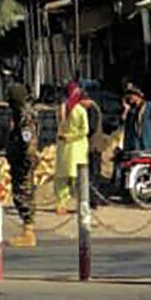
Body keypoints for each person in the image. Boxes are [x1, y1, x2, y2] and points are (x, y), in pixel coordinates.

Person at [3, 82, 39, 247]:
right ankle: (27, 230)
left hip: (23, 161)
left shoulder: (25, 116)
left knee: (23, 193)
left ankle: (28, 232)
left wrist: (25, 158)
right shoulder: (19, 113)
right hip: (18, 159)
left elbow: (28, 140)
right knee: (22, 192)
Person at [116, 81, 151, 194]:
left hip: (145, 143)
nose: (130, 98)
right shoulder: (130, 110)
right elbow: (121, 122)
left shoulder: (149, 107)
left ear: (138, 96)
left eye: (131, 95)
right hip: (131, 144)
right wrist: (125, 110)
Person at [54, 81, 91, 214]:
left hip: (63, 147)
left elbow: (58, 127)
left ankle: (61, 204)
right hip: (78, 148)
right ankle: (81, 205)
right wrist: (73, 136)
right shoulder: (80, 110)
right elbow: (85, 130)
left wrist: (65, 136)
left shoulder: (61, 108)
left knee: (61, 178)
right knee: (78, 178)